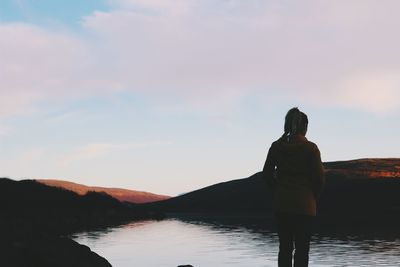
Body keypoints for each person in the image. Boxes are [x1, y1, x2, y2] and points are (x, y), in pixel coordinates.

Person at [262, 107, 325, 267]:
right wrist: (312, 197)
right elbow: (319, 179)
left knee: (285, 249)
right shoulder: (311, 148)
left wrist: (278, 190)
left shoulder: (276, 146)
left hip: (282, 205)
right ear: (304, 127)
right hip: (305, 206)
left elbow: (266, 174)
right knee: (302, 250)